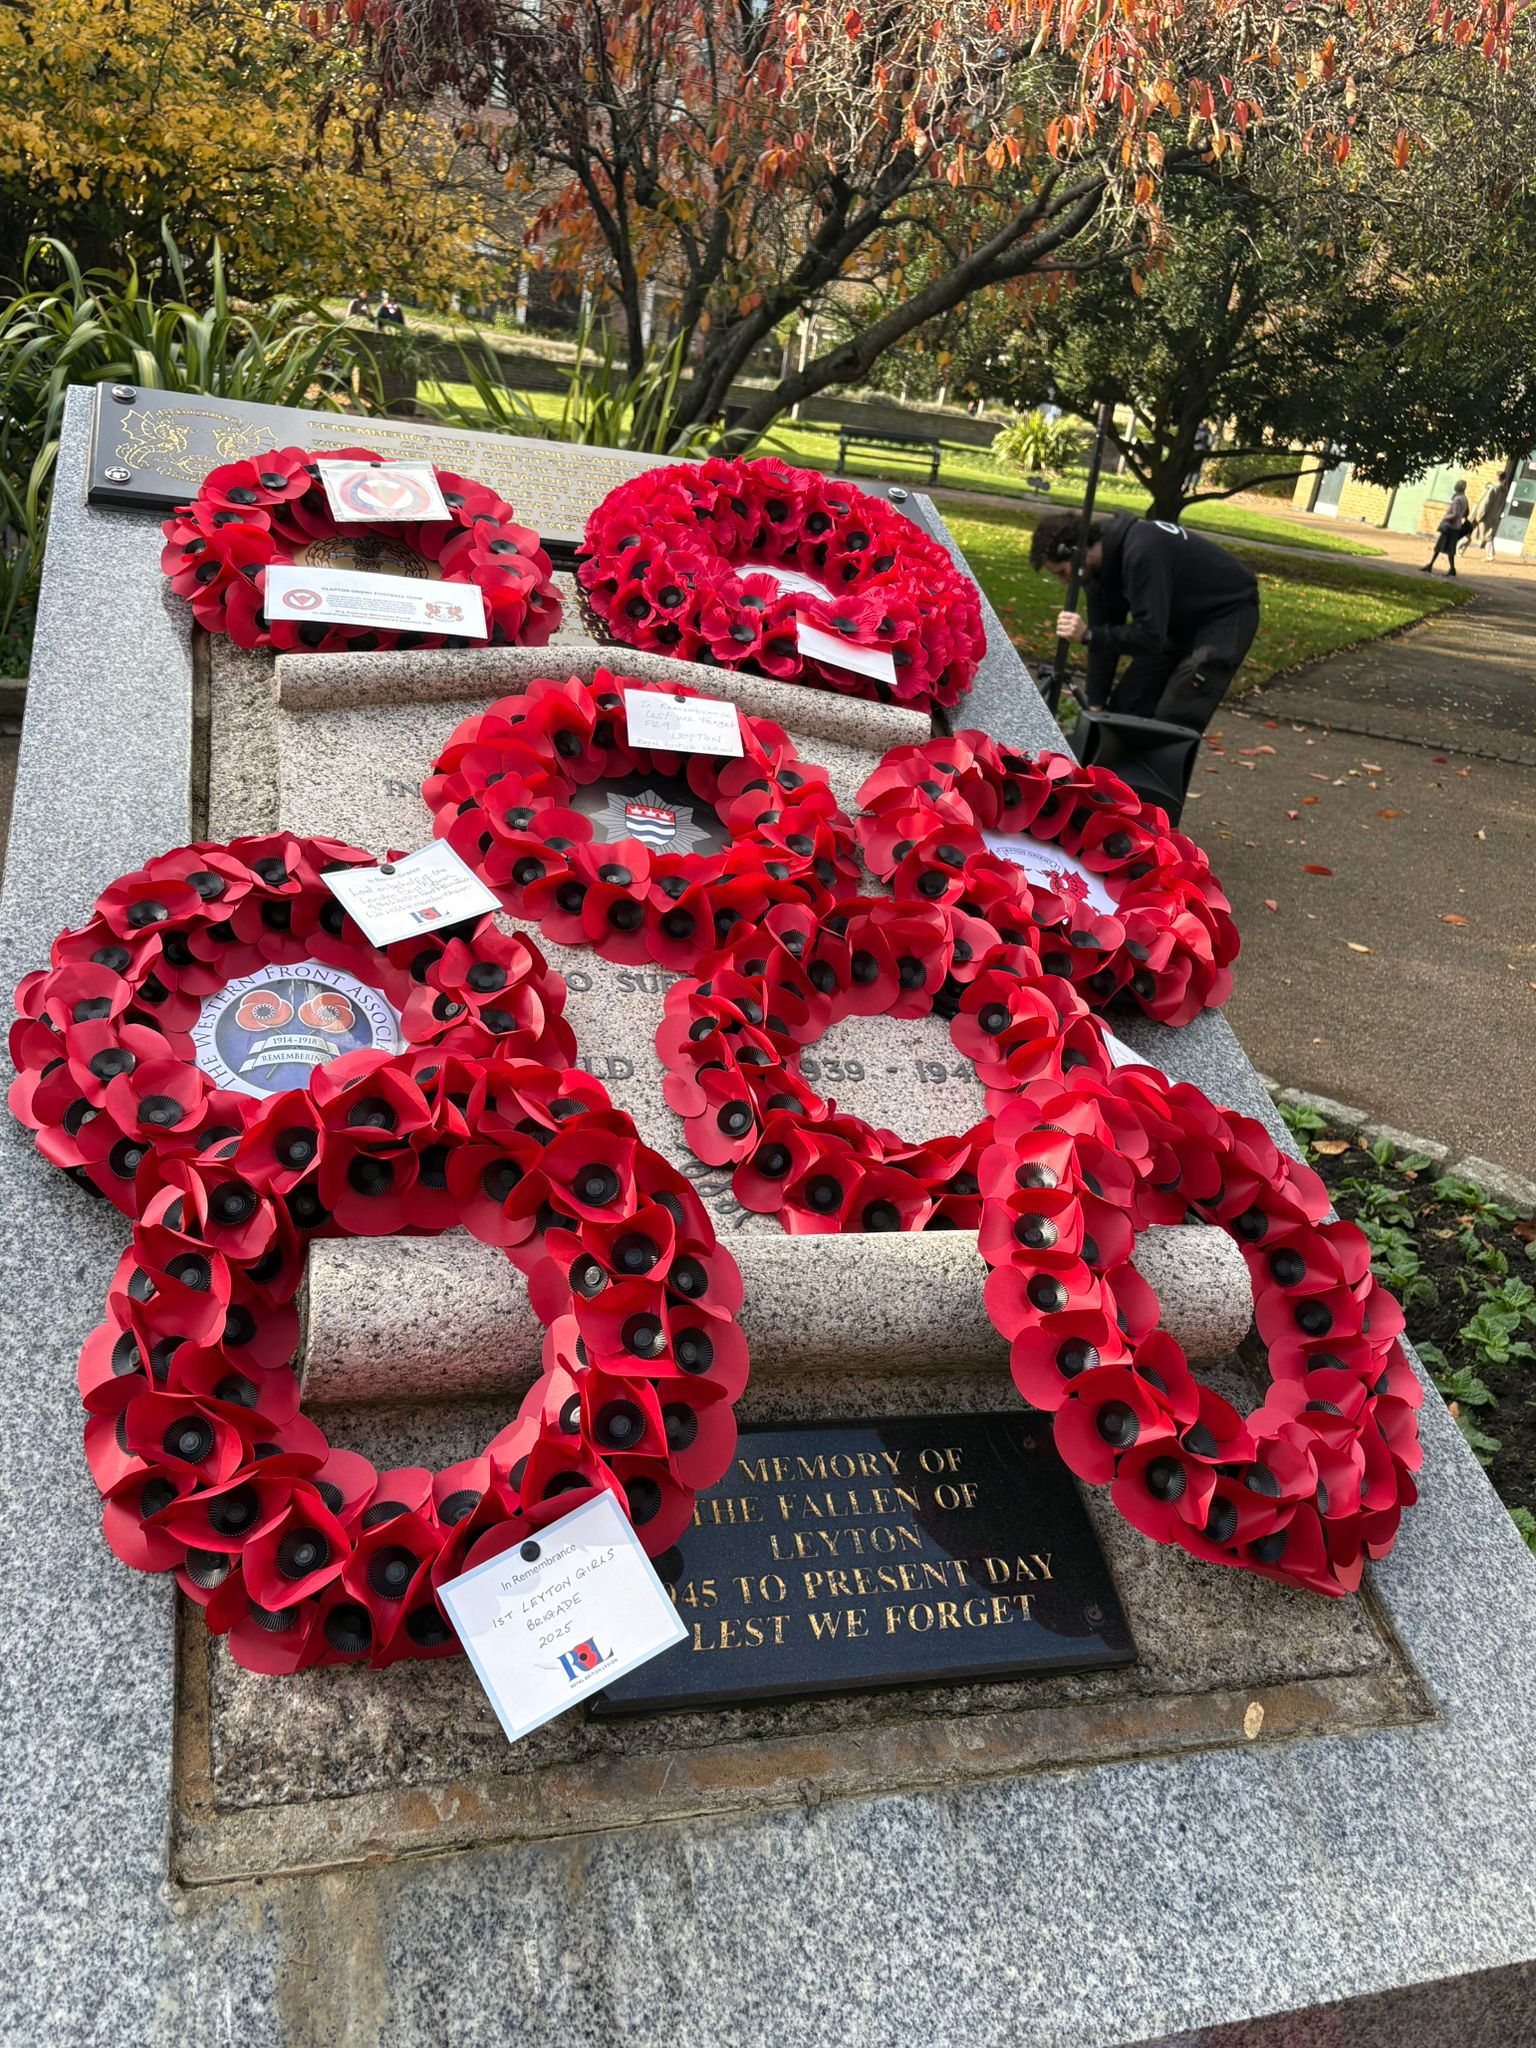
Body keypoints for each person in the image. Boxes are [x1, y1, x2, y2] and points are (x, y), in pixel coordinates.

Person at [1032, 509, 1260, 731]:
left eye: (1062, 572)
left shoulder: (1142, 550)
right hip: (1173, 622)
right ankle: (1110, 767)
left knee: (1175, 716)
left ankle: (1156, 767)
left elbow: (1148, 635)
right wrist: (1096, 705)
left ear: (1077, 551)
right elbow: (1103, 641)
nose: (1064, 582)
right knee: (1126, 709)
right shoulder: (1098, 570)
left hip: (1226, 613)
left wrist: (1088, 635)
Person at [1422, 480, 1470, 575]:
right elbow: (1466, 512)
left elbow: (1455, 514)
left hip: (1450, 526)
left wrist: (1445, 517)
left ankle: (1441, 567)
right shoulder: (1464, 498)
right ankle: (1437, 566)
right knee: (1449, 548)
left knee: (1441, 547)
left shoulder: (1457, 499)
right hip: (1457, 526)